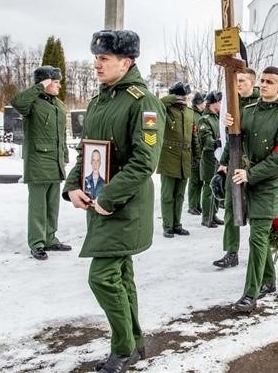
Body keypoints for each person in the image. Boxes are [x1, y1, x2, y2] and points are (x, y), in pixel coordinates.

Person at [63, 30, 164, 373]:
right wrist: (72, 185)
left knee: (103, 277)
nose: (97, 64)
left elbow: (143, 162)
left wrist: (108, 197)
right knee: (121, 274)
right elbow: (87, 150)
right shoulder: (101, 100)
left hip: (125, 205)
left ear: (126, 62)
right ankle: (134, 344)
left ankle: (122, 349)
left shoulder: (143, 102)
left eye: (104, 58)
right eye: (96, 57)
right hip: (100, 201)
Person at [221, 66, 278, 312]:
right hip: (247, 180)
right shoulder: (249, 109)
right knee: (258, 235)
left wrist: (250, 174)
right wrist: (229, 126)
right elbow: (237, 141)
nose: (264, 85)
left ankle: (250, 294)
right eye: (262, 81)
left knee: (257, 238)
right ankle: (268, 280)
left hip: (269, 183)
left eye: (270, 82)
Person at [11, 65, 70, 261]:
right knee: (38, 207)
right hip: (38, 162)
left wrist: (65, 155)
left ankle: (50, 239)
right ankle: (37, 243)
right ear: (45, 82)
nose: (59, 86)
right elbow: (17, 103)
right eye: (56, 82)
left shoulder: (58, 105)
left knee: (53, 205)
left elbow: (61, 134)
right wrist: (39, 86)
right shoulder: (32, 103)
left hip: (55, 162)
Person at [213, 68, 260, 269]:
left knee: (258, 213)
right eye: (236, 81)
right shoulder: (233, 103)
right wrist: (223, 164)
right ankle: (231, 252)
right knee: (232, 209)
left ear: (252, 82)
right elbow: (231, 139)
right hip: (235, 162)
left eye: (242, 80)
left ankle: (262, 254)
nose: (238, 84)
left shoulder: (262, 104)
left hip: (255, 165)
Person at [158, 81, 199, 238]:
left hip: (186, 157)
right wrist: (172, 98)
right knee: (168, 194)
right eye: (180, 96)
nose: (184, 99)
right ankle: (167, 226)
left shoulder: (190, 113)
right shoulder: (166, 110)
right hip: (169, 156)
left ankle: (177, 224)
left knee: (180, 195)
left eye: (185, 96)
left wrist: (197, 155)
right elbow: (157, 104)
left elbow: (194, 135)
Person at [198, 91, 223, 228]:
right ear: (214, 103)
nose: (221, 104)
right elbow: (206, 140)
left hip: (218, 157)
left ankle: (214, 214)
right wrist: (217, 143)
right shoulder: (205, 119)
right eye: (219, 102)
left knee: (218, 186)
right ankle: (207, 217)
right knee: (209, 188)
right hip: (209, 158)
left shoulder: (217, 117)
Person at [187, 92, 206, 216]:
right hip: (194, 154)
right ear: (199, 103)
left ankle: (197, 205)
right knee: (194, 181)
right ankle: (192, 205)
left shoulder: (200, 115)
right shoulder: (193, 115)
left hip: (200, 153)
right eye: (204, 102)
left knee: (199, 181)